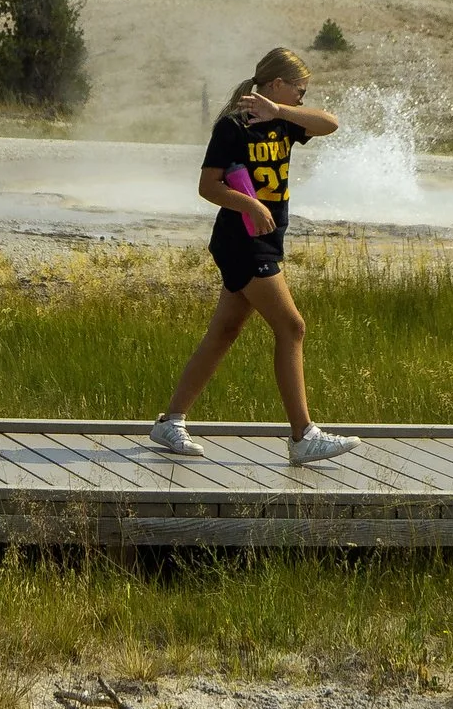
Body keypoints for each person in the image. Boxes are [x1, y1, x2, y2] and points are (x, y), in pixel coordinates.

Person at [148, 47, 359, 466]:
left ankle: (169, 421)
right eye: (300, 88)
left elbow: (331, 124)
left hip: (266, 238)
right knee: (292, 327)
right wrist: (251, 205)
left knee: (225, 331)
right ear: (278, 81)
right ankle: (303, 435)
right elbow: (208, 187)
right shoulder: (233, 125)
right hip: (242, 239)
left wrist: (281, 110)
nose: (303, 96)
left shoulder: (283, 118)